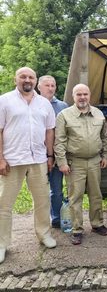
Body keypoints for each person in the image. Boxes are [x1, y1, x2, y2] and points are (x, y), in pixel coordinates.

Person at [0, 67, 57, 264]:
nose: (27, 80)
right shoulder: (4, 100)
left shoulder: (44, 103)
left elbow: (50, 131)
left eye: (31, 77)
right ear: (15, 79)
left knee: (42, 201)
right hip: (12, 160)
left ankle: (44, 234)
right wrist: (0, 159)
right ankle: (2, 244)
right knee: (4, 204)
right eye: (23, 76)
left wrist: (50, 155)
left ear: (35, 80)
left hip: (38, 159)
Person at [54, 84, 107, 245]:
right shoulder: (64, 115)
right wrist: (62, 162)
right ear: (73, 96)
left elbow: (105, 137)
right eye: (79, 94)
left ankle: (97, 224)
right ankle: (77, 229)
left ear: (89, 95)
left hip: (94, 161)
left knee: (96, 195)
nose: (82, 97)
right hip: (74, 163)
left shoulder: (98, 114)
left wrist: (105, 155)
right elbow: (59, 141)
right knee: (75, 197)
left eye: (85, 94)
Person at [38, 75, 68, 228]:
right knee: (40, 192)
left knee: (57, 190)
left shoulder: (63, 106)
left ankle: (56, 219)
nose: (50, 88)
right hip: (37, 156)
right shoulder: (33, 104)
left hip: (57, 156)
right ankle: (42, 221)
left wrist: (59, 155)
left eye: (53, 85)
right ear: (39, 87)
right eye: (47, 85)